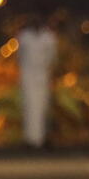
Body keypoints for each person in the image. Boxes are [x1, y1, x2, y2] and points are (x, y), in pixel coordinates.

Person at [17, 13, 58, 148]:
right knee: (29, 106)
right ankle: (30, 139)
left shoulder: (49, 37)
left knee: (42, 107)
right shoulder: (24, 37)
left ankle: (41, 138)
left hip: (42, 76)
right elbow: (20, 57)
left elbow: (52, 57)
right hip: (28, 76)